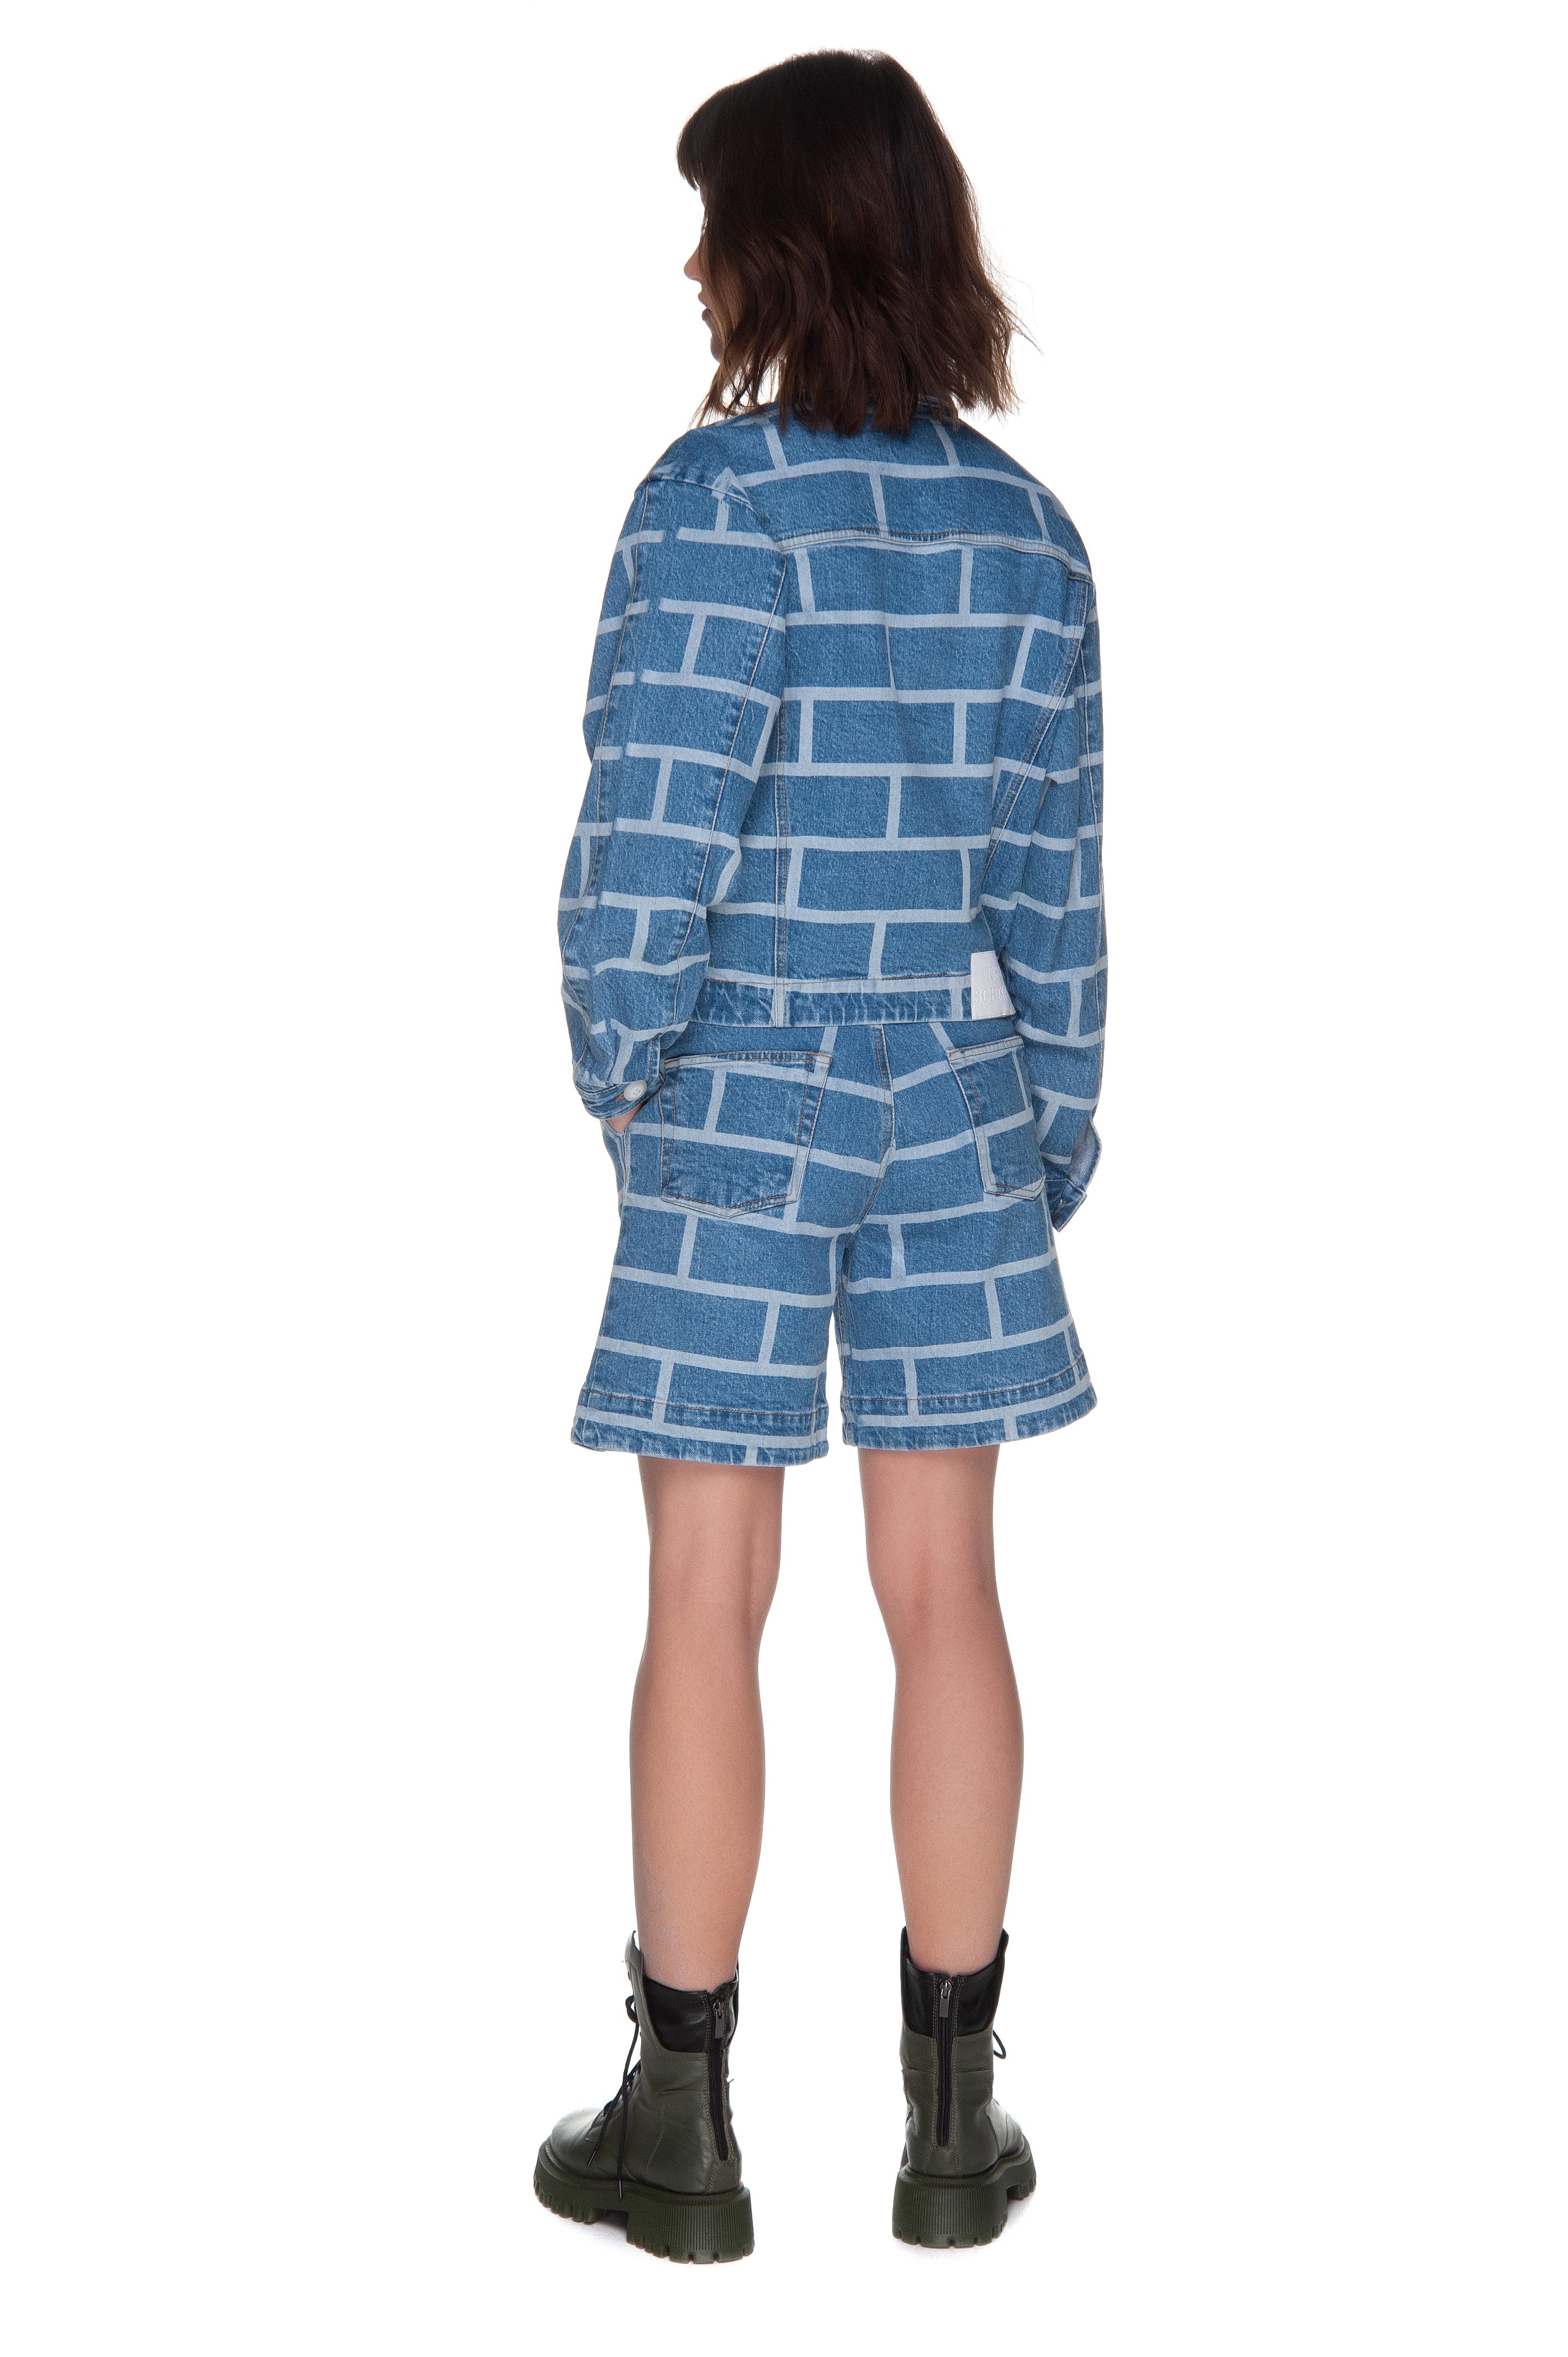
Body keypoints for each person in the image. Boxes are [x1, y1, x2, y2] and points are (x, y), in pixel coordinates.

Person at [534, 49, 1105, 2260]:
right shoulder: (1030, 537)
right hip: (958, 1101)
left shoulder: (716, 505)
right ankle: (954, 2132)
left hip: (742, 1097)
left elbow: (651, 822)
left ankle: (683, 2126)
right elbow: (1055, 885)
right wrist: (1048, 1119)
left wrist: (626, 1066)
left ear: (780, 242)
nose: (694, 265)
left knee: (707, 1591)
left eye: (717, 223)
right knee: (948, 1591)